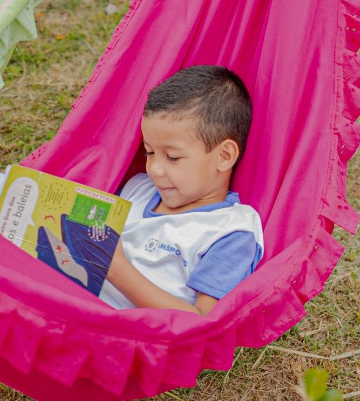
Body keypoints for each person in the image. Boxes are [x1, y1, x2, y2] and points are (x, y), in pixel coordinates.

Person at [95, 65, 264, 313]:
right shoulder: (138, 189)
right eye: (149, 152)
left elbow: (202, 322)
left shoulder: (231, 231)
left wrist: (117, 270)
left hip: (134, 338)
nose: (155, 169)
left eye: (172, 157)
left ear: (224, 156)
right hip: (76, 302)